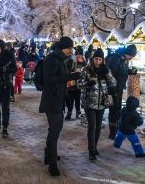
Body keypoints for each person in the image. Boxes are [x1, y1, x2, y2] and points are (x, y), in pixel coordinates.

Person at [39, 37, 81, 176]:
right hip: (51, 101)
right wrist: (70, 76)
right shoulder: (53, 59)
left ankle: (50, 155)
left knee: (55, 129)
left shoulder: (59, 59)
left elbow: (59, 78)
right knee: (55, 131)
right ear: (62, 47)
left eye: (72, 48)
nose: (71, 51)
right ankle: (52, 163)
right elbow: (49, 80)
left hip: (57, 100)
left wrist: (71, 77)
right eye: (69, 48)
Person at [78, 48, 116, 161]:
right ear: (92, 59)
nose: (97, 61)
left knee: (98, 126)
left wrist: (107, 74)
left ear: (103, 60)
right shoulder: (86, 69)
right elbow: (79, 84)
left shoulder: (105, 69)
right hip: (89, 102)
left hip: (102, 102)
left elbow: (114, 83)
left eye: (100, 59)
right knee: (92, 126)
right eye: (96, 59)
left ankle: (94, 147)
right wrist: (88, 83)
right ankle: (91, 151)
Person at [106, 44, 137, 139]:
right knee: (113, 110)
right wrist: (113, 89)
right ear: (128, 53)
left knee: (116, 110)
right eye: (131, 56)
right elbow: (110, 75)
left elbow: (121, 72)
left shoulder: (123, 60)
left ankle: (115, 130)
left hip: (118, 90)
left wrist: (129, 71)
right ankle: (112, 133)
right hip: (112, 91)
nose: (131, 58)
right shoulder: (116, 59)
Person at [65, 46, 86, 120]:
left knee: (77, 99)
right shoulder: (70, 61)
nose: (79, 56)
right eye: (78, 55)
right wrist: (73, 72)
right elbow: (67, 71)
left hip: (79, 84)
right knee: (70, 100)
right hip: (71, 84)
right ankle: (69, 113)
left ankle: (78, 112)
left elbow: (85, 71)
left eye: (80, 55)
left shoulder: (83, 62)